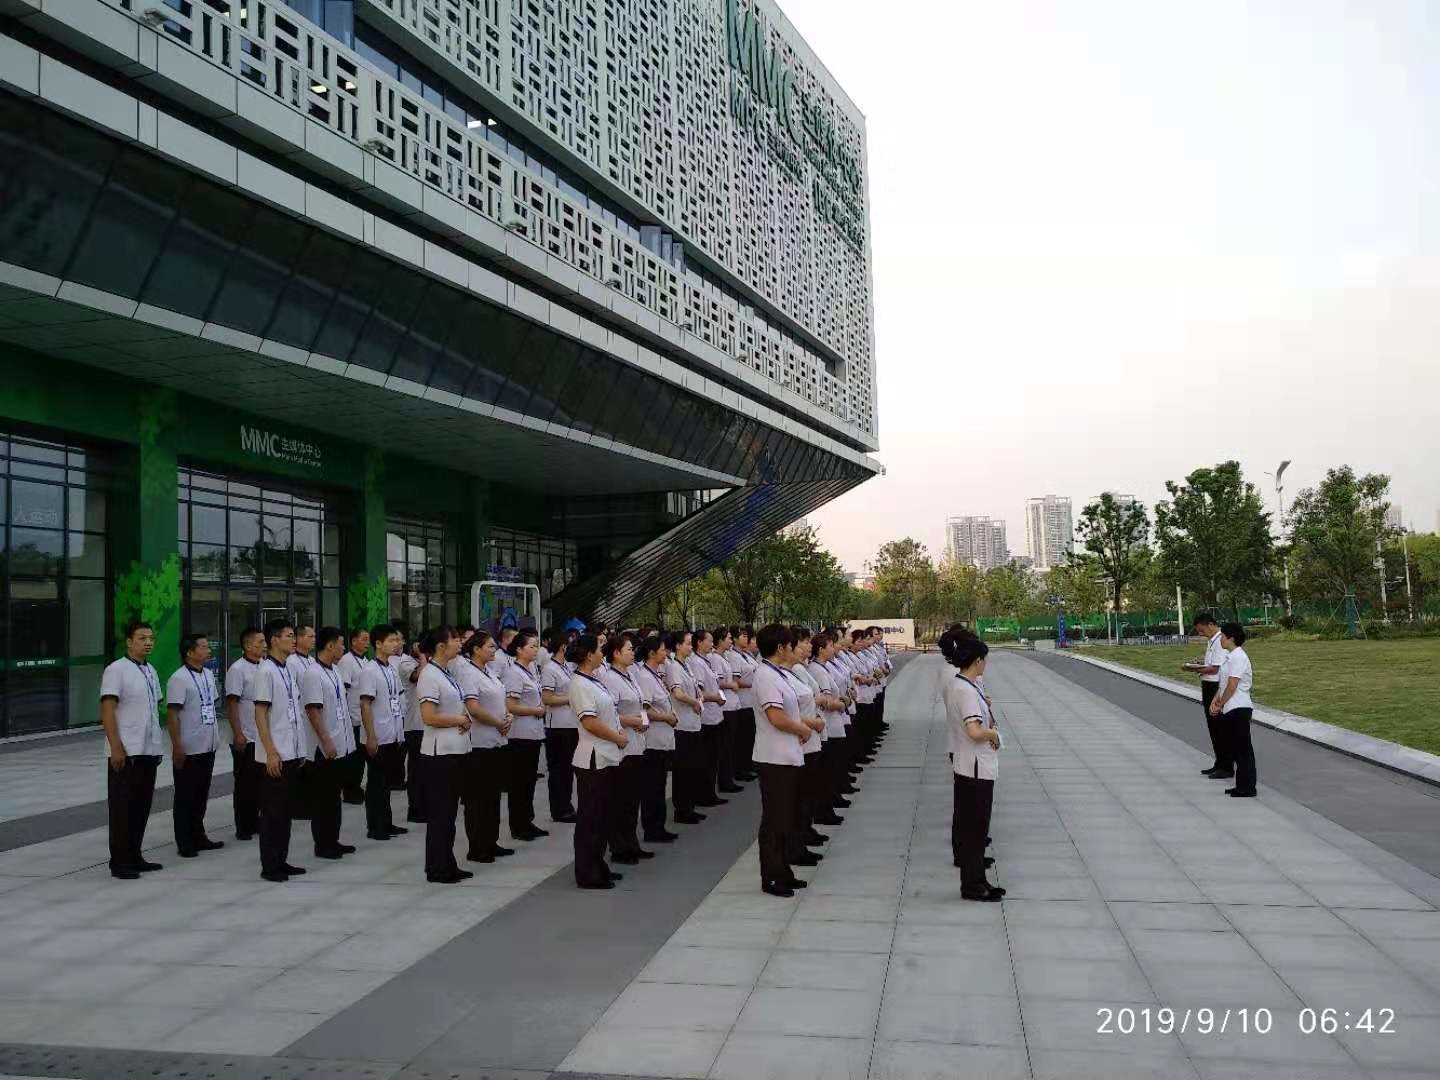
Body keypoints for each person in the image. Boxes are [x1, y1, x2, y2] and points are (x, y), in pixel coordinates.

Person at [940, 628, 1004, 902]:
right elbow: (975, 731)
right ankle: (973, 885)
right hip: (975, 766)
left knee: (974, 828)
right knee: (976, 828)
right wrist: (993, 734)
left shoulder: (963, 685)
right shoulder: (964, 690)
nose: (985, 664)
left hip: (971, 764)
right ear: (977, 660)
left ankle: (977, 880)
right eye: (984, 660)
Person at [751, 624, 813, 898]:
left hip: (787, 756)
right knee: (775, 820)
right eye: (791, 644)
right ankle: (772, 875)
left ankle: (783, 870)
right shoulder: (765, 676)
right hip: (774, 758)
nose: (795, 648)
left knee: (786, 817)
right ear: (780, 648)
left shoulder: (779, 675)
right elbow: (775, 717)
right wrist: (802, 729)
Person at [101, 619, 166, 880]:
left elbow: (152, 712)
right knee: (122, 809)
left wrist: (157, 746)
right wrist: (116, 746)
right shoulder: (116, 670)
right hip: (126, 751)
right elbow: (107, 709)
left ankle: (135, 855)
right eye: (142, 638)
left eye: (150, 638)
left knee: (141, 806)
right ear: (129, 641)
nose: (148, 642)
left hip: (147, 750)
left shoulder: (150, 670)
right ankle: (119, 861)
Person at [252, 619, 309, 883]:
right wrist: (270, 751)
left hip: (292, 751)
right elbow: (261, 713)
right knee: (272, 812)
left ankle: (281, 859)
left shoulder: (287, 669)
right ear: (274, 639)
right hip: (275, 754)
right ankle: (270, 865)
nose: (293, 640)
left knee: (285, 812)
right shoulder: (266, 671)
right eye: (288, 636)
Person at [569, 634, 628, 889]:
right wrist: (617, 736)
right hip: (593, 757)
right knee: (590, 818)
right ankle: (587, 872)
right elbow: (589, 722)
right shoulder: (579, 684)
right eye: (599, 649)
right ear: (588, 654)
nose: (602, 653)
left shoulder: (593, 680)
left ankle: (598, 864)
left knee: (603, 815)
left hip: (607, 754)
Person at [416, 626, 473, 883]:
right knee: (440, 813)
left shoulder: (445, 672)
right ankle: (436, 867)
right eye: (455, 640)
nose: (459, 643)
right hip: (440, 754)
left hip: (455, 749)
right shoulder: (429, 675)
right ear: (441, 646)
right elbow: (429, 716)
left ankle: (447, 861)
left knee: (449, 814)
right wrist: (459, 718)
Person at [452, 630, 512, 862]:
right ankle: (477, 847)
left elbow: (501, 699)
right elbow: (474, 708)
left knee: (493, 797)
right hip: (478, 744)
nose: (494, 650)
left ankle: (491, 841)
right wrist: (498, 723)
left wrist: (507, 718)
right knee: (477, 798)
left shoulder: (490, 672)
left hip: (496, 742)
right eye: (489, 646)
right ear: (475, 649)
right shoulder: (468, 673)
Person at [300, 626, 357, 860]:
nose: (343, 648)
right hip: (324, 748)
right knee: (323, 798)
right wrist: (327, 741)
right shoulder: (313, 673)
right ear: (331, 645)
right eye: (341, 644)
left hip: (341, 744)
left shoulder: (333, 670)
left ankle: (333, 839)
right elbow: (313, 710)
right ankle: (322, 844)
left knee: (334, 797)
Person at [165, 632, 224, 859]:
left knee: (201, 794)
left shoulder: (208, 674)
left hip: (207, 744)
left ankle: (199, 835)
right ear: (190, 653)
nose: (208, 650)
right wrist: (177, 746)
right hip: (188, 747)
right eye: (203, 647)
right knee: (185, 796)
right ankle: (185, 841)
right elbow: (172, 715)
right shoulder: (179, 679)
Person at [600, 633, 652, 865]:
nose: (633, 652)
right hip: (622, 746)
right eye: (629, 649)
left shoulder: (630, 675)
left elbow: (638, 705)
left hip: (637, 742)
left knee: (633, 799)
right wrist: (633, 722)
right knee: (620, 800)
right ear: (616, 653)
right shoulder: (610, 678)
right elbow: (609, 714)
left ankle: (632, 843)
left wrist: (642, 722)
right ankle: (619, 847)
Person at [360, 624, 408, 841]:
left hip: (393, 733)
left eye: (396, 640)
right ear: (378, 644)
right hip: (377, 734)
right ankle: (375, 826)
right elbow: (366, 704)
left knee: (387, 782)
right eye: (391, 641)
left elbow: (397, 699)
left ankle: (386, 823)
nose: (396, 644)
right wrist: (371, 736)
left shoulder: (390, 668)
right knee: (376, 783)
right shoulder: (370, 670)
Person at [502, 629, 548, 841]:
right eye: (531, 646)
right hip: (520, 734)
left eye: (537, 645)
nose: (536, 649)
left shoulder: (532, 670)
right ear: (519, 649)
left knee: (529, 781)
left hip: (533, 732)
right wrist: (535, 711)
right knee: (519, 782)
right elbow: (511, 705)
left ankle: (527, 821)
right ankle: (518, 825)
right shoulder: (514, 672)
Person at [789, 627, 830, 858]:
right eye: (804, 643)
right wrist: (812, 723)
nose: (808, 646)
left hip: (812, 736)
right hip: (803, 738)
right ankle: (799, 842)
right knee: (801, 797)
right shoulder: (792, 671)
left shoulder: (800, 669)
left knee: (808, 793)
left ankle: (806, 833)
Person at [636, 635, 679, 843]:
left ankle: (659, 826)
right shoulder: (644, 677)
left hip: (663, 738)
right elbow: (645, 710)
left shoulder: (654, 675)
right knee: (652, 787)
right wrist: (666, 717)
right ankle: (652, 828)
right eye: (663, 649)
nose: (666, 653)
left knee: (660, 785)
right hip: (652, 740)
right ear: (652, 653)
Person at [225, 626, 265, 841]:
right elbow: (232, 704)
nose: (264, 645)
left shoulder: (264, 666)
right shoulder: (237, 669)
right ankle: (243, 826)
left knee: (259, 783)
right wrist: (238, 733)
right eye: (260, 642)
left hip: (261, 735)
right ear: (248, 645)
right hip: (246, 734)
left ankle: (256, 820)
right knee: (244, 784)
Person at [1209, 622, 1257, 798]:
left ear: (1231, 638)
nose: (1220, 639)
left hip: (1239, 707)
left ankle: (1248, 787)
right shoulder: (1230, 657)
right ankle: (1241, 785)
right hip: (1231, 707)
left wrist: (1220, 703)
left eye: (1222, 636)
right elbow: (1223, 684)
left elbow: (1232, 685)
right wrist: (1216, 701)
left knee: (1243, 750)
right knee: (1237, 749)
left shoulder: (1238, 657)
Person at [806, 631, 849, 823]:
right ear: (821, 649)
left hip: (834, 723)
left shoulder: (824, 666)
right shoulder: (817, 670)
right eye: (831, 645)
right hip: (828, 725)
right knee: (826, 772)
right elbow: (826, 701)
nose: (834, 648)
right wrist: (842, 703)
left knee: (832, 768)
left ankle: (829, 805)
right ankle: (824, 811)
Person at [1183, 612, 1232, 779]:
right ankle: (1219, 762)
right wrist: (1200, 664)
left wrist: (1193, 668)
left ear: (1210, 624)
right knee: (1213, 727)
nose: (1201, 634)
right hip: (1208, 684)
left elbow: (1215, 668)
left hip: (1215, 685)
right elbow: (1210, 664)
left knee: (1218, 727)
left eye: (1202, 630)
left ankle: (1226, 766)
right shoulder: (1212, 641)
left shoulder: (1220, 641)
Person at [665, 630, 705, 824]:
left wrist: (700, 697)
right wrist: (694, 702)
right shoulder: (673, 667)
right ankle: (682, 809)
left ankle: (690, 805)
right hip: (683, 724)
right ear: (678, 646)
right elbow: (678, 693)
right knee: (683, 769)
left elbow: (696, 687)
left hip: (693, 722)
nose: (691, 647)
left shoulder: (686, 665)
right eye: (688, 644)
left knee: (692, 768)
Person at [540, 627, 578, 823]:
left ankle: (567, 805)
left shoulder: (567, 667)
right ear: (563, 646)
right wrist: (570, 698)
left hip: (571, 724)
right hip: (558, 726)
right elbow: (547, 698)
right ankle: (559, 808)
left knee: (568, 769)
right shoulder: (550, 668)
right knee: (559, 770)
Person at [689, 629, 728, 806]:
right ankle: (704, 794)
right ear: (699, 643)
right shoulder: (697, 663)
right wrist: (716, 697)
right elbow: (701, 692)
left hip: (715, 714)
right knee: (707, 758)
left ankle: (710, 792)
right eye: (709, 640)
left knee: (713, 757)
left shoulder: (706, 661)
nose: (712, 644)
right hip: (707, 716)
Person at [336, 627, 372, 805]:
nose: (367, 643)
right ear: (354, 641)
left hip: (364, 717)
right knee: (354, 758)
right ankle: (350, 791)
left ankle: (356, 787)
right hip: (353, 716)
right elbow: (344, 690)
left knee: (362, 757)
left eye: (368, 639)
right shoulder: (346, 661)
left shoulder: (365, 660)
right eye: (363, 639)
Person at [708, 628, 743, 794]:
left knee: (731, 745)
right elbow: (718, 682)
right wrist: (731, 685)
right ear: (720, 640)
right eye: (728, 638)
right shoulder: (715, 659)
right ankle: (724, 781)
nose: (730, 641)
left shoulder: (724, 657)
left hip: (732, 703)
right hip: (726, 705)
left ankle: (728, 778)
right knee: (725, 746)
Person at [727, 627, 759, 783]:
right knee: (742, 739)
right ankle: (739, 768)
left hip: (751, 701)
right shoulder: (733, 656)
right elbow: (736, 680)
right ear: (734, 638)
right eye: (743, 636)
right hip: (742, 701)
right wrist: (754, 685)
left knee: (749, 737)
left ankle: (747, 765)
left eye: (747, 636)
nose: (746, 639)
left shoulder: (746, 654)